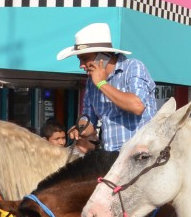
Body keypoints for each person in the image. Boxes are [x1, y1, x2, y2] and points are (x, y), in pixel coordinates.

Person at [57, 22, 157, 153]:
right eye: (79, 59)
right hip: (110, 156)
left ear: (103, 56)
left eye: (85, 58)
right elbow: (89, 120)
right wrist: (80, 128)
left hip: (141, 156)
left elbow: (137, 106)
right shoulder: (91, 82)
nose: (81, 65)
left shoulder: (133, 67)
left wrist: (102, 83)